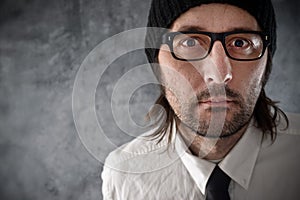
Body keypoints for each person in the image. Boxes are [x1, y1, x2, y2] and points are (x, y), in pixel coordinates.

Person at [102, 0, 300, 199]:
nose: (219, 74)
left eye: (241, 43)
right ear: (157, 63)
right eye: (190, 42)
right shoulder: (124, 177)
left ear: (266, 63)